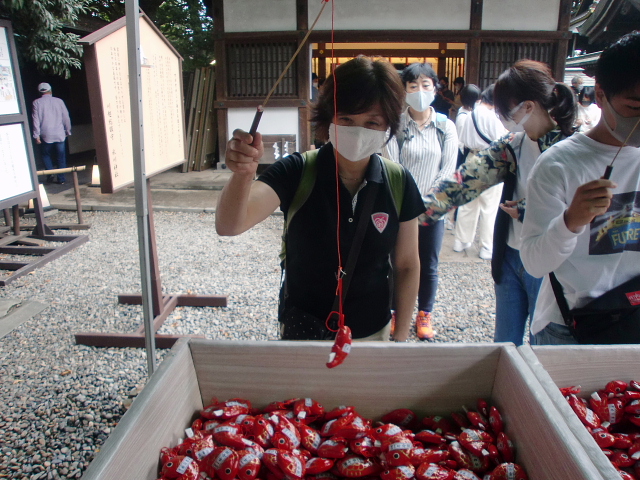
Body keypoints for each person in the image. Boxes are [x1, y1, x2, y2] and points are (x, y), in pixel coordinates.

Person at [216, 56, 425, 342]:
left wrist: (400, 337)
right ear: (329, 119)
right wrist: (242, 173)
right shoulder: (296, 171)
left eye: (372, 122)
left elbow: (407, 265)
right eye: (347, 119)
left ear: (388, 125)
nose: (358, 130)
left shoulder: (399, 181)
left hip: (372, 334)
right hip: (304, 332)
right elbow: (229, 225)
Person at [420, 59, 577, 346]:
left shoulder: (572, 148)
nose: (501, 115)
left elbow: (581, 208)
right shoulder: (512, 145)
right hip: (510, 257)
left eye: (505, 108)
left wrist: (530, 209)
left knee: (543, 343)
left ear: (528, 106)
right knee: (504, 343)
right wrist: (417, 213)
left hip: (550, 263)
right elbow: (464, 182)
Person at [520, 31, 640, 345]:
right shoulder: (558, 165)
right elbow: (534, 263)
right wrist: (570, 221)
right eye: (635, 107)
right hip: (570, 324)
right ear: (600, 95)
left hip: (634, 318)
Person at [385, 63, 458, 341]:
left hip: (434, 210)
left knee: (428, 263)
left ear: (435, 88)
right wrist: (411, 205)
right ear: (404, 91)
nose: (419, 91)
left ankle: (424, 313)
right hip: (401, 209)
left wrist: (428, 203)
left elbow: (448, 168)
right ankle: (396, 313)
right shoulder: (396, 125)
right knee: (397, 262)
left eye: (426, 85)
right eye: (413, 86)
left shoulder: (445, 126)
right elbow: (393, 164)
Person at [453, 84, 506, 260]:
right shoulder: (494, 118)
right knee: (489, 208)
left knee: (467, 204)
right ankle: (486, 247)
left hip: (471, 159)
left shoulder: (468, 115)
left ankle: (460, 241)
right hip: (491, 162)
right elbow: (503, 141)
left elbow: (462, 140)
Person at [32, 82, 71, 184]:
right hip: (59, 133)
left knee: (45, 155)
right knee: (61, 157)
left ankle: (50, 172)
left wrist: (36, 135)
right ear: (51, 90)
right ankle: (61, 179)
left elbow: (35, 120)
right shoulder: (59, 101)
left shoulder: (36, 103)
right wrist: (68, 130)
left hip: (46, 134)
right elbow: (66, 117)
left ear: (39, 92)